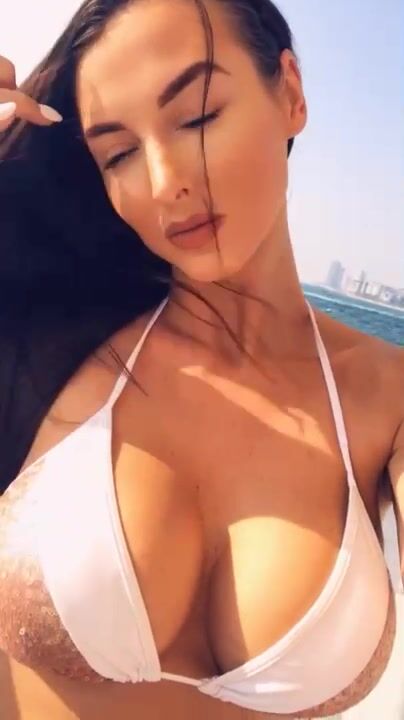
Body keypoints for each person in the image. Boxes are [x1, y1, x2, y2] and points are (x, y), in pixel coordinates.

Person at [0, 0, 403, 718]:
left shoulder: (386, 393)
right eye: (118, 155)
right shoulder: (48, 334)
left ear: (291, 93)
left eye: (197, 117)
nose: (165, 183)